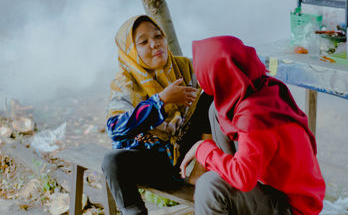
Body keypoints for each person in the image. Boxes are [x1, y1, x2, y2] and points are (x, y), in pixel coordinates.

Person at [180, 36, 326, 215]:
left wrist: (202, 149)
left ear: (216, 74)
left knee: (209, 187)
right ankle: (228, 180)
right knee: (216, 111)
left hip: (293, 206)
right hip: (274, 186)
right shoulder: (260, 87)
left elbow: (243, 179)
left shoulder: (255, 115)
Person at [101, 15, 212, 215]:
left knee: (211, 96)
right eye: (143, 41)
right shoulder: (125, 82)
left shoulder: (183, 67)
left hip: (182, 150)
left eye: (158, 35)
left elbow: (216, 72)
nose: (155, 44)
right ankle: (133, 210)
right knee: (111, 161)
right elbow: (114, 129)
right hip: (148, 161)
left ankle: (203, 167)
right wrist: (160, 101)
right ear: (130, 51)